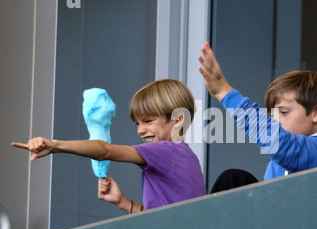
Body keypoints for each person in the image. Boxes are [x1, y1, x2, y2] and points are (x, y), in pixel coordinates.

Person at [12, 79, 207, 213]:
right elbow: (164, 220)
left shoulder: (166, 151)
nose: (140, 130)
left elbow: (104, 150)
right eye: (137, 123)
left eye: (148, 121)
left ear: (178, 119)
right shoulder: (187, 156)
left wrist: (55, 145)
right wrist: (123, 202)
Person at [198, 42, 317, 192]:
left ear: (316, 113)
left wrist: (224, 93)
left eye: (284, 113)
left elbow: (285, 147)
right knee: (233, 180)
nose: (275, 121)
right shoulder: (276, 165)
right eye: (272, 115)